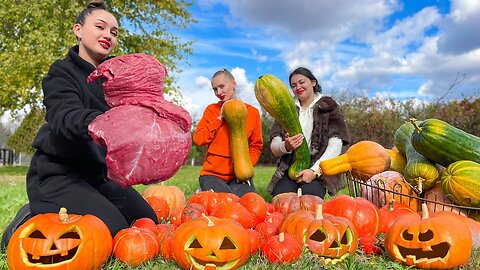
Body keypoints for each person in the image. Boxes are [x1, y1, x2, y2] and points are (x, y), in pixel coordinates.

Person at [1, 0, 158, 247]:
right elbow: (64, 117)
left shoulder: (117, 78)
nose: (108, 35)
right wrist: (109, 123)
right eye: (100, 27)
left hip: (97, 175)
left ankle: (84, 203)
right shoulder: (61, 72)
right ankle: (31, 216)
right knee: (112, 231)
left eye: (114, 32)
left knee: (147, 220)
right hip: (60, 174)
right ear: (78, 30)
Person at [268, 67, 350, 198]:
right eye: (293, 85)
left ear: (313, 82)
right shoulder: (286, 108)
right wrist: (285, 146)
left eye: (302, 82)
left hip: (319, 170)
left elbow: (336, 143)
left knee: (310, 200)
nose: (298, 87)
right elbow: (275, 144)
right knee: (281, 200)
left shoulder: (329, 106)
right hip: (290, 169)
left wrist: (314, 171)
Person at [193, 68, 263, 197]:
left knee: (246, 204)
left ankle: (207, 193)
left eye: (222, 86)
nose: (218, 92)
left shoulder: (252, 112)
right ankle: (204, 190)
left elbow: (256, 145)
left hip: (239, 175)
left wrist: (246, 165)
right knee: (226, 202)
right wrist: (219, 119)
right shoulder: (211, 110)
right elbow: (199, 139)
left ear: (234, 85)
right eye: (215, 89)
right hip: (212, 175)